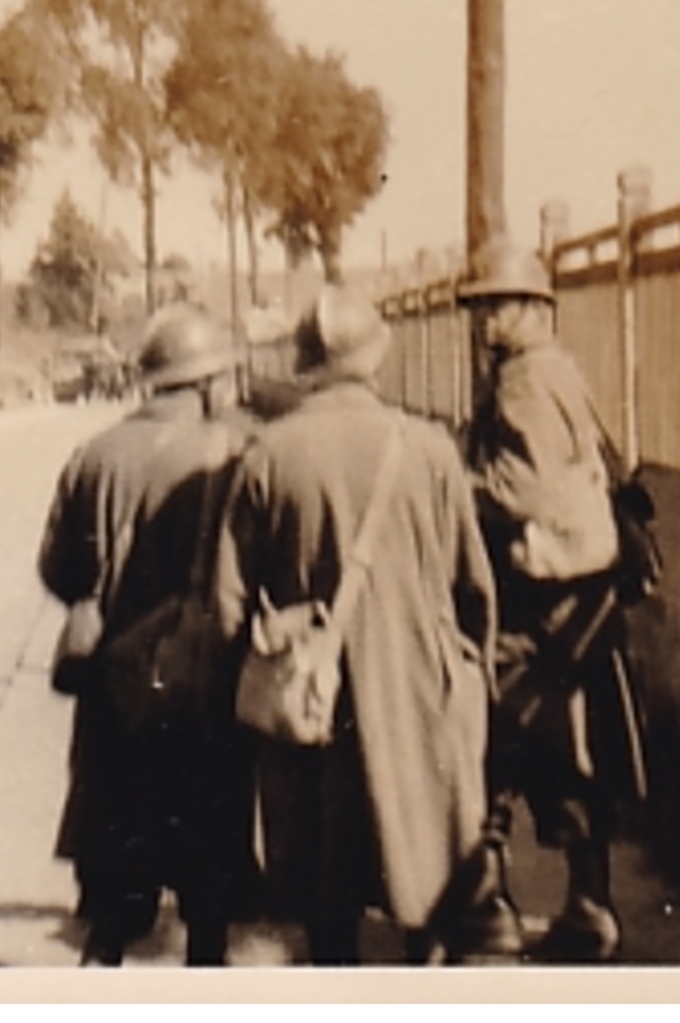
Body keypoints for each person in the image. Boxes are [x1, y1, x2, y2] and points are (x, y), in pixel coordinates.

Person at [212, 284, 498, 965]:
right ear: (374, 359)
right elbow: (474, 587)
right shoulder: (429, 449)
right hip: (418, 689)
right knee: (424, 863)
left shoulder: (267, 456)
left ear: (305, 365)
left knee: (325, 888)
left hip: (313, 700)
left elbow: (227, 602)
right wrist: (471, 678)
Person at [38, 305, 255, 967]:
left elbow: (59, 569)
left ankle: (102, 962)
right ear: (209, 382)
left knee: (116, 861)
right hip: (205, 684)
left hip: (116, 685)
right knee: (208, 878)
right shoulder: (236, 452)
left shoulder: (94, 454)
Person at [458, 238, 649, 962]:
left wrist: (458, 482)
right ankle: (587, 908)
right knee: (575, 748)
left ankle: (493, 910)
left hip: (536, 591)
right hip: (582, 594)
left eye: (497, 305)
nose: (485, 319)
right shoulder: (557, 368)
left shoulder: (522, 382)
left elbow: (524, 489)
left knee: (490, 740)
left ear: (536, 307)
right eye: (480, 306)